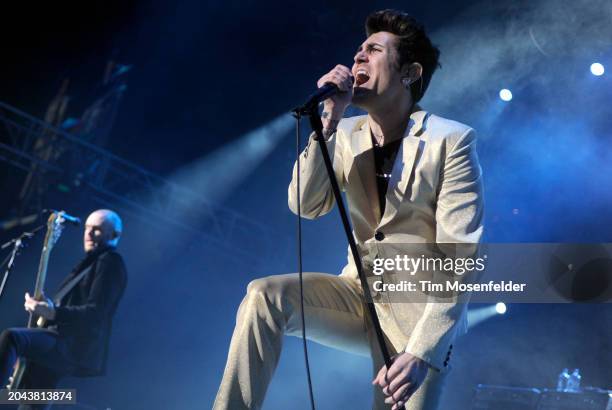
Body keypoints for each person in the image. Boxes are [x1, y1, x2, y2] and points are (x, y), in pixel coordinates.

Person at [214, 9, 483, 410]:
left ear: (409, 73)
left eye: (373, 50)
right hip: (357, 294)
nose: (358, 57)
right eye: (358, 49)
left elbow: (464, 258)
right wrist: (329, 120)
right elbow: (305, 205)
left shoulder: (451, 140)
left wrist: (423, 352)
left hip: (418, 312)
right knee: (263, 296)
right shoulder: (344, 133)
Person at [0, 209, 128, 409]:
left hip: (72, 345)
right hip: (59, 344)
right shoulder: (88, 263)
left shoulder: (111, 262)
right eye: (87, 228)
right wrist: (45, 310)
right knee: (31, 401)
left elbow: (96, 314)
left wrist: (52, 313)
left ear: (114, 235)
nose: (88, 234)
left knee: (12, 337)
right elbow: (64, 309)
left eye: (97, 230)